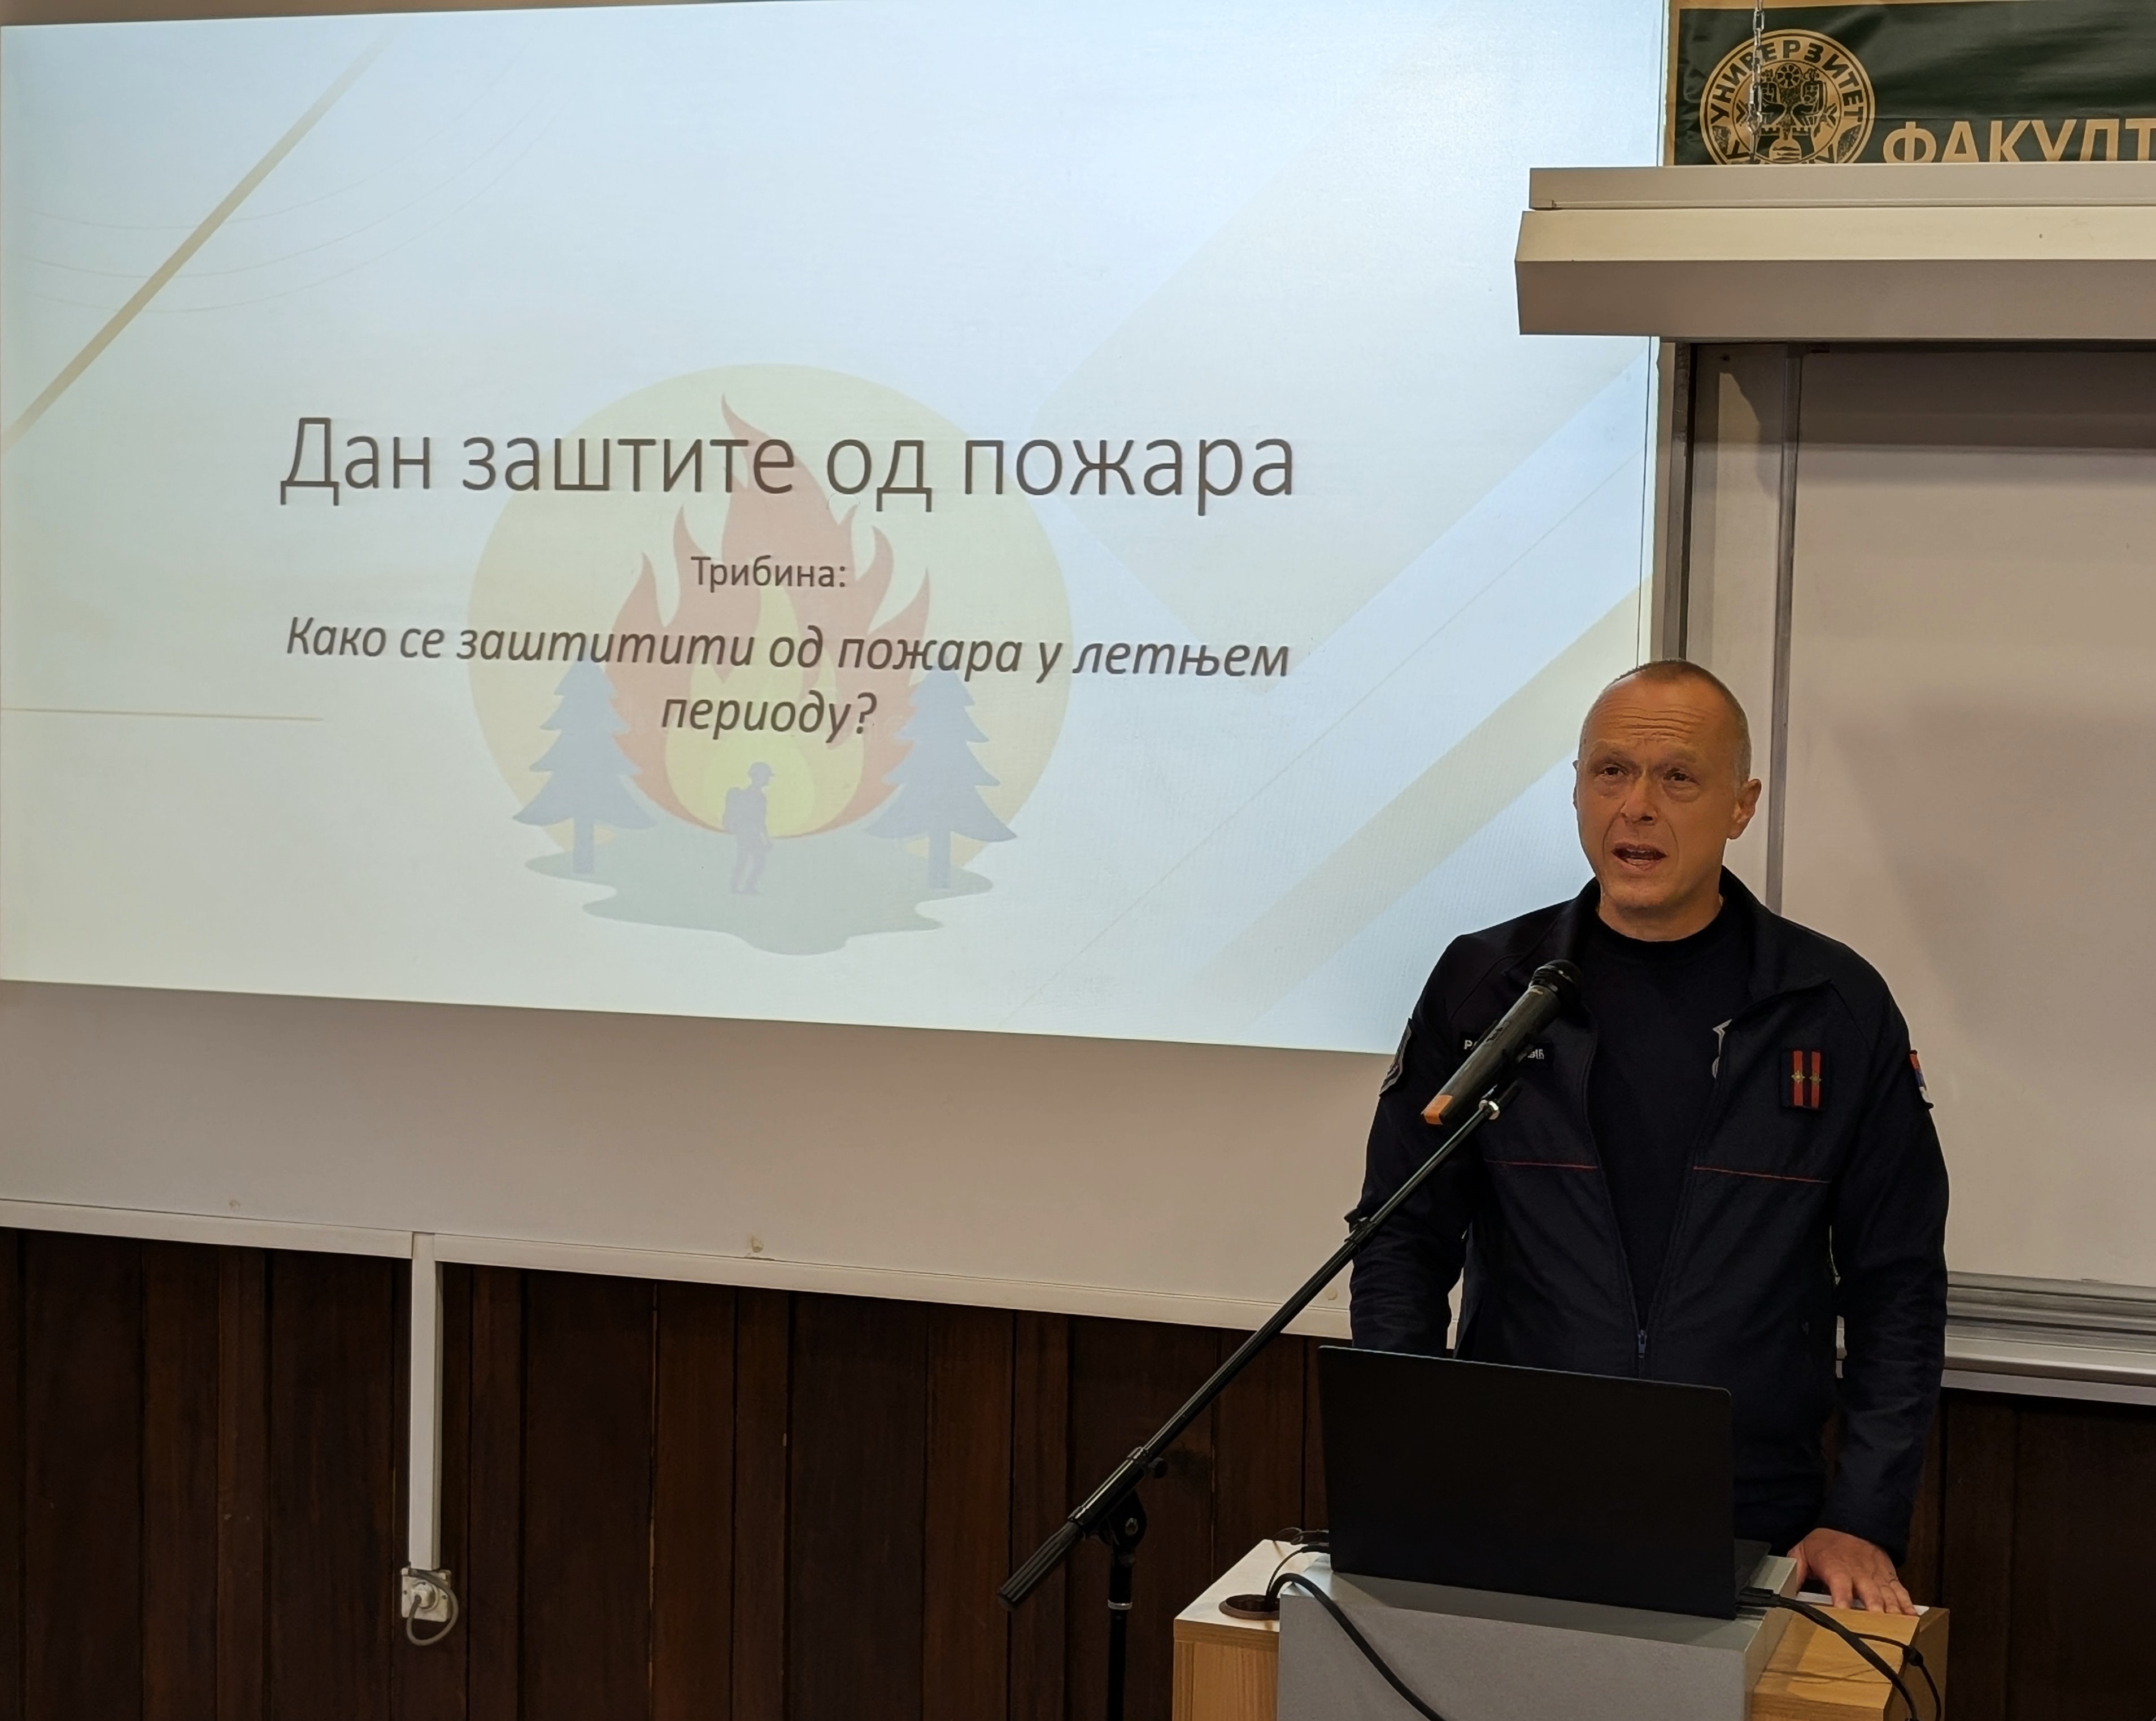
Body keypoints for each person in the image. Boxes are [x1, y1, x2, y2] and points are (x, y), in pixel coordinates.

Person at [1351, 660, 1947, 1614]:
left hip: (1752, 1514)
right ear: (1576, 789)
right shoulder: (1488, 988)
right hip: (1508, 1501)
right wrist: (1415, 1466)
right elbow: (1398, 1242)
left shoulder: (1831, 1005)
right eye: (1611, 771)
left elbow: (1897, 1283)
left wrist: (1863, 1514)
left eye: (1677, 777)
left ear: (1741, 805)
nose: (1636, 806)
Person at [725, 763, 774, 895]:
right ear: (759, 776)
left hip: (750, 832)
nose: (768, 779)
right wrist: (766, 839)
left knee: (753, 860)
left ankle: (743, 887)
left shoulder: (758, 796)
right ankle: (739, 887)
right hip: (747, 832)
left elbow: (761, 821)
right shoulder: (754, 796)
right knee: (746, 859)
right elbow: (759, 820)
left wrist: (766, 838)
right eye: (766, 776)